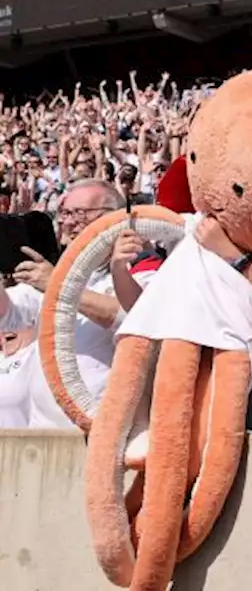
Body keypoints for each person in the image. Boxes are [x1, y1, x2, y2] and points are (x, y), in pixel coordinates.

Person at [0, 180, 155, 427]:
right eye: (64, 213)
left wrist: (59, 285)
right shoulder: (59, 272)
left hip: (99, 429)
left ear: (111, 218)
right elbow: (9, 314)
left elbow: (133, 318)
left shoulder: (141, 268)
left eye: (78, 213)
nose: (68, 222)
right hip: (41, 432)